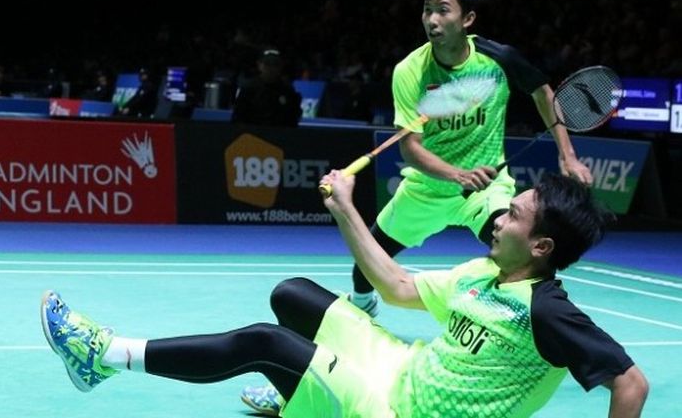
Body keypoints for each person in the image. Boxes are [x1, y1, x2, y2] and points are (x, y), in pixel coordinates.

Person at [40, 172, 648, 418]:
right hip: (401, 371)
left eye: (513, 217)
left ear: (540, 247)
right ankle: (302, 397)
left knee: (264, 342)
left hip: (401, 414)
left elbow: (631, 384)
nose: (499, 220)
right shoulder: (480, 272)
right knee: (293, 295)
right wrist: (343, 207)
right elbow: (398, 286)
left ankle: (103, 356)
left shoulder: (546, 309)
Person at [342, 0, 593, 319]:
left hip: (484, 189)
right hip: (427, 190)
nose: (432, 19)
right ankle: (361, 307)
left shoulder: (498, 59)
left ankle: (544, 321)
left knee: (516, 249)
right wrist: (458, 174)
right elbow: (409, 148)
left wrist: (568, 156)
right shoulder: (410, 71)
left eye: (443, 10)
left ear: (468, 19)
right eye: (427, 10)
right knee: (365, 264)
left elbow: (542, 91)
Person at [231, 48, 302, 127]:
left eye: (275, 64)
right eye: (267, 64)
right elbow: (238, 118)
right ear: (259, 65)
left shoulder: (288, 91)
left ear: (281, 67)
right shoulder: (248, 89)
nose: (271, 68)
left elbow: (293, 120)